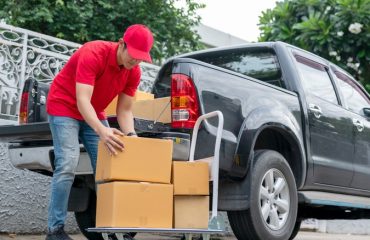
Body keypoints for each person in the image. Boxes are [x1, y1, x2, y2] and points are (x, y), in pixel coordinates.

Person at [45, 24, 154, 240]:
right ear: (121, 44)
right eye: (133, 55)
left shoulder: (134, 71)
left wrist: (132, 136)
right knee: (67, 163)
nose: (136, 61)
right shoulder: (93, 52)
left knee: (108, 170)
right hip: (64, 106)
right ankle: (54, 230)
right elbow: (82, 99)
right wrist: (103, 131)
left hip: (94, 111)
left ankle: (111, 227)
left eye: (141, 58)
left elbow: (124, 110)